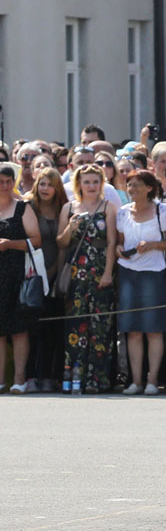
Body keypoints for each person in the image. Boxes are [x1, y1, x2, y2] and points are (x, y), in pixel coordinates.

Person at [115, 169, 166, 395]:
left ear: (150, 188)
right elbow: (120, 242)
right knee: (131, 330)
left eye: (138, 185)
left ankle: (152, 380)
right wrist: (119, 249)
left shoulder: (162, 211)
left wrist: (151, 245)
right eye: (130, 185)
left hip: (154, 272)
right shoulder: (122, 213)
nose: (132, 190)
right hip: (128, 273)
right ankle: (136, 381)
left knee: (154, 329)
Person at [57, 164, 117, 393]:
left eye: (95, 182)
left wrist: (108, 272)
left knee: (100, 327)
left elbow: (112, 242)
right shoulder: (68, 208)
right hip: (76, 274)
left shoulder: (108, 207)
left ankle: (97, 380)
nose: (91, 186)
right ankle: (74, 378)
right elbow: (61, 242)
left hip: (100, 270)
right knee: (76, 327)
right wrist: (70, 227)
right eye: (87, 182)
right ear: (78, 184)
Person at [25, 167, 68, 391]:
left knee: (53, 328)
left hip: (55, 273)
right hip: (31, 274)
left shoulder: (63, 208)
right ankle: (31, 375)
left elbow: (63, 244)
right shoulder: (29, 206)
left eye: (50, 184)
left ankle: (50, 375)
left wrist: (54, 272)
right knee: (32, 327)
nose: (45, 188)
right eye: (42, 183)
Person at [0, 164, 42, 394]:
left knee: (18, 330)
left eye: (9, 181)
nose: (5, 186)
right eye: (1, 181)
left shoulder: (22, 208)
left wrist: (9, 244)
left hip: (18, 273)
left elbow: (36, 240)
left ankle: (19, 379)